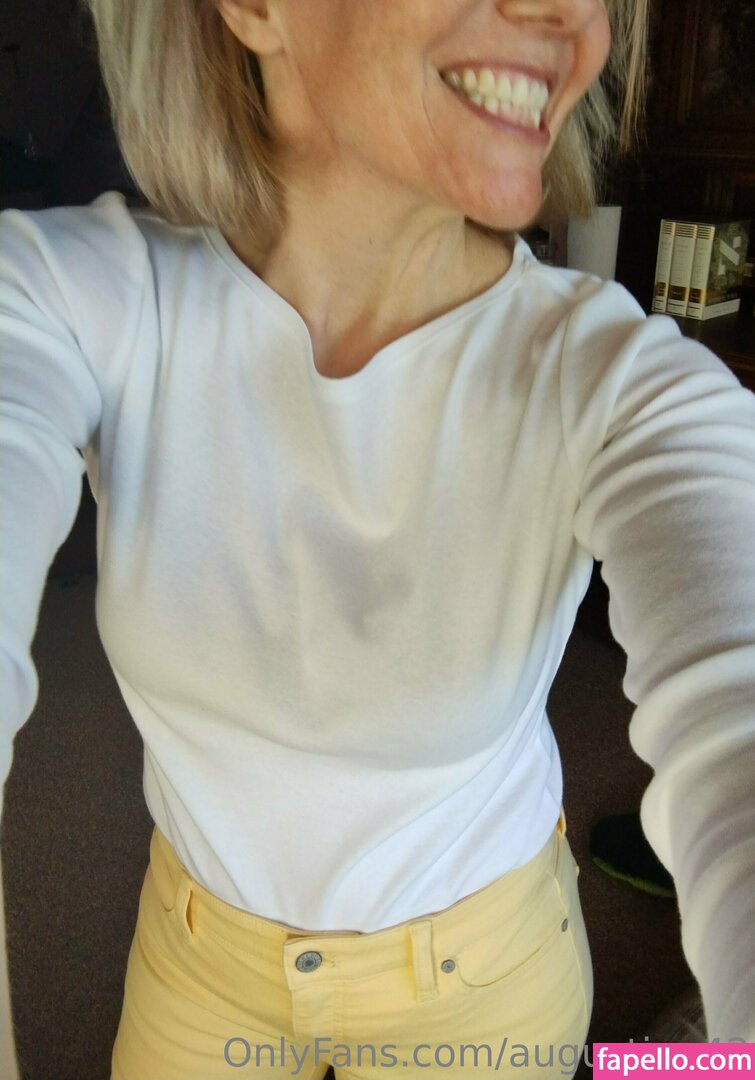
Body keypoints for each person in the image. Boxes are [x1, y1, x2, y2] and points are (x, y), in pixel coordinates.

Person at [1, 0, 754, 1076]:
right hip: (198, 967)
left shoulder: (622, 385)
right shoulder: (66, 300)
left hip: (481, 990)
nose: (569, 15)